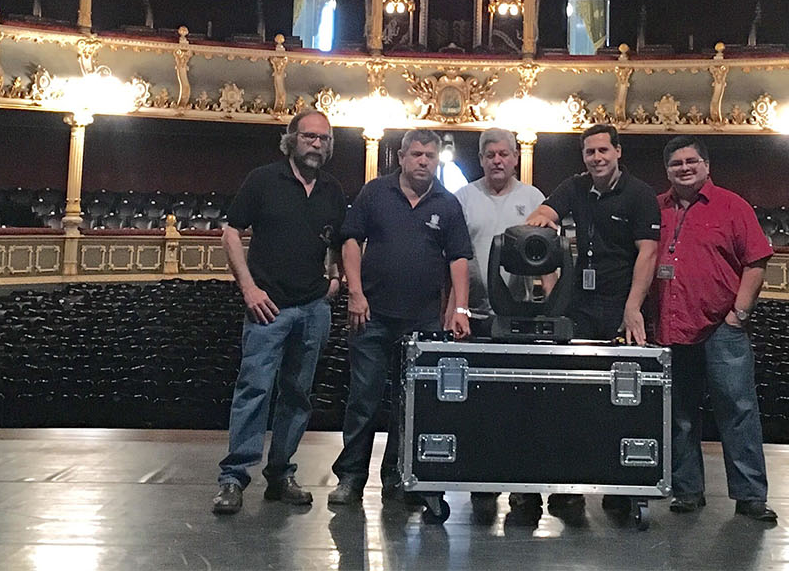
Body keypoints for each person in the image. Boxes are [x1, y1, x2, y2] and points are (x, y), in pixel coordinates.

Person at [328, 128, 473, 519]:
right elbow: (351, 241)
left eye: (430, 155)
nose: (423, 161)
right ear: (402, 157)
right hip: (372, 315)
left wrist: (460, 309)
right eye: (416, 154)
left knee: (409, 404)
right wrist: (355, 293)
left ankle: (397, 475)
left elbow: (459, 258)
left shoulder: (448, 203)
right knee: (364, 399)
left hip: (423, 321)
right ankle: (351, 477)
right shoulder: (375, 192)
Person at [211, 110, 347, 515]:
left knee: (298, 396)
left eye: (323, 139)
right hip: (268, 309)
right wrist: (249, 289)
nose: (316, 144)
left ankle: (280, 474)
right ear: (291, 140)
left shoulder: (332, 189)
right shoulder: (263, 180)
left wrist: (335, 278)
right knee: (254, 390)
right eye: (309, 137)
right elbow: (231, 232)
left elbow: (339, 242)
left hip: (314, 308)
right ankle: (234, 478)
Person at [525, 122, 660, 516]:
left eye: (603, 150)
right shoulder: (575, 187)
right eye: (590, 152)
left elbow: (648, 254)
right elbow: (541, 214)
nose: (597, 158)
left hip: (621, 307)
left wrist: (632, 309)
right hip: (579, 307)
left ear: (618, 152)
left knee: (622, 402)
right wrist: (544, 221)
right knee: (574, 401)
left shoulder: (640, 194)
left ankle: (620, 485)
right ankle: (569, 486)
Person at [652, 136, 778, 523]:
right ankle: (687, 490)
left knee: (738, 411)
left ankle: (750, 495)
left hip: (723, 327)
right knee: (680, 415)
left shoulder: (732, 205)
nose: (684, 168)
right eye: (676, 163)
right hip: (673, 326)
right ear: (667, 170)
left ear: (706, 166)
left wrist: (739, 314)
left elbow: (756, 262)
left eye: (691, 161)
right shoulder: (656, 208)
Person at [454, 127, 544, 517]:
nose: (497, 161)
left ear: (515, 158)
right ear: (481, 158)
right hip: (475, 316)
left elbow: (548, 255)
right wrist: (455, 308)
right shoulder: (463, 198)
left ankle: (524, 484)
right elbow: (454, 257)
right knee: (479, 404)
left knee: (521, 403)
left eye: (504, 154)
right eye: (490, 154)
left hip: (520, 316)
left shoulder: (534, 198)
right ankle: (484, 478)